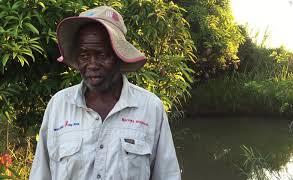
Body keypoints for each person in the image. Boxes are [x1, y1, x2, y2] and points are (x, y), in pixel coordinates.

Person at [29, 6, 181, 180]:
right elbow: (40, 174)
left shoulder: (150, 108)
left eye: (101, 54)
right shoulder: (58, 105)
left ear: (119, 56)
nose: (92, 64)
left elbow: (167, 175)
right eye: (84, 55)